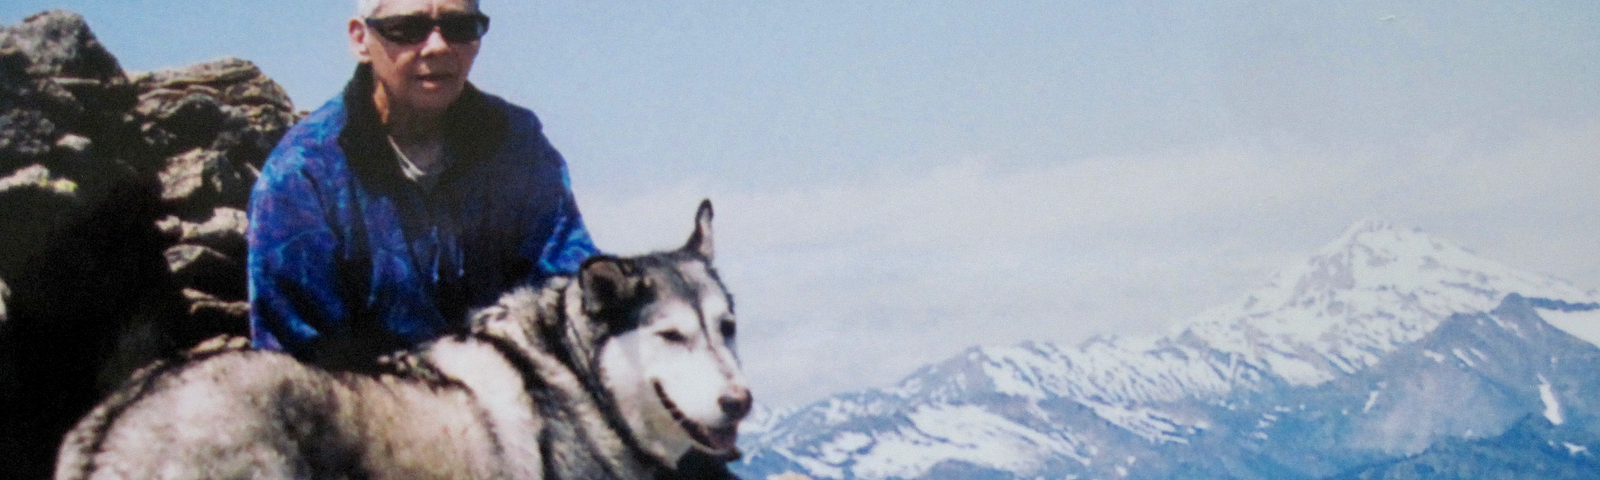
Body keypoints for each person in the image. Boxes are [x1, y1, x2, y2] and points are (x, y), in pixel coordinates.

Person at [247, 0, 599, 367]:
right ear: (360, 39)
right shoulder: (302, 175)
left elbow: (572, 290)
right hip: (371, 411)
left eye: (460, 27)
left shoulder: (518, 143)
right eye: (407, 28)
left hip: (513, 400)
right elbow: (296, 362)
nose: (438, 47)